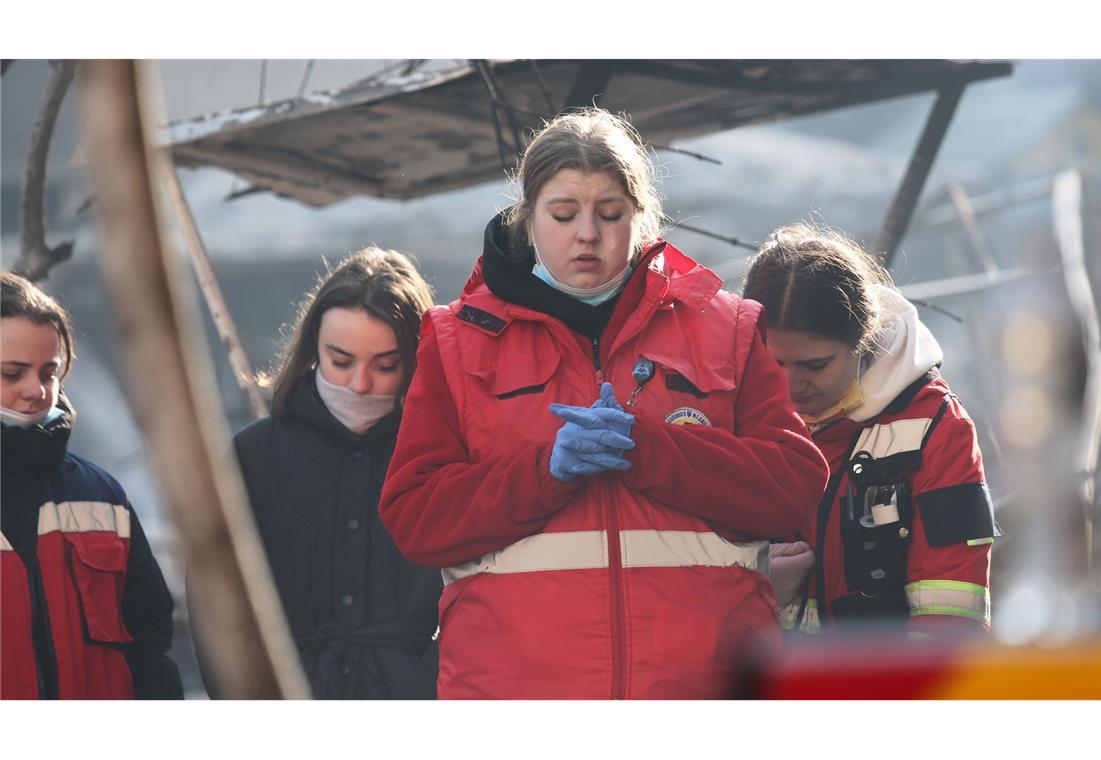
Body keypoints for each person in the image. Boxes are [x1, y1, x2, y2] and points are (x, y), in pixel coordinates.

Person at [379, 108, 829, 699]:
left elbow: (793, 488)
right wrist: (545, 472)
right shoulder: (457, 341)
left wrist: (654, 451)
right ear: (530, 218)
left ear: (642, 218)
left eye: (610, 213)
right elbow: (415, 518)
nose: (586, 233)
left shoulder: (732, 328)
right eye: (563, 214)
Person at [743, 224, 1000, 641]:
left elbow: (949, 621)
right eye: (774, 364)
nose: (790, 388)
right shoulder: (730, 414)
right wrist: (757, 588)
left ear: (863, 341)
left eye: (815, 365)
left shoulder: (934, 428)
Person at [220, 246, 441, 699]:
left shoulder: (441, 456)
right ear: (312, 349)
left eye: (385, 365)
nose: (360, 384)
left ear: (416, 361)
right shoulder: (254, 455)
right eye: (341, 361)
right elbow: (216, 604)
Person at [1, 271, 183, 699]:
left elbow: (151, 650)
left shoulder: (102, 498)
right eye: (12, 373)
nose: (37, 391)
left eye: (49, 373)